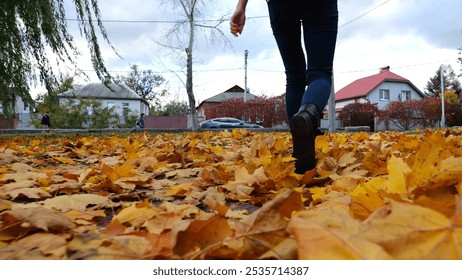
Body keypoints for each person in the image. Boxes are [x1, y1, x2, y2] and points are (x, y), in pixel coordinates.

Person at [231, 0, 338, 174]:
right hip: (321, 6)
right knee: (320, 73)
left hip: (279, 6)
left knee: (295, 77)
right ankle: (307, 114)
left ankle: (301, 147)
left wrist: (240, 7)